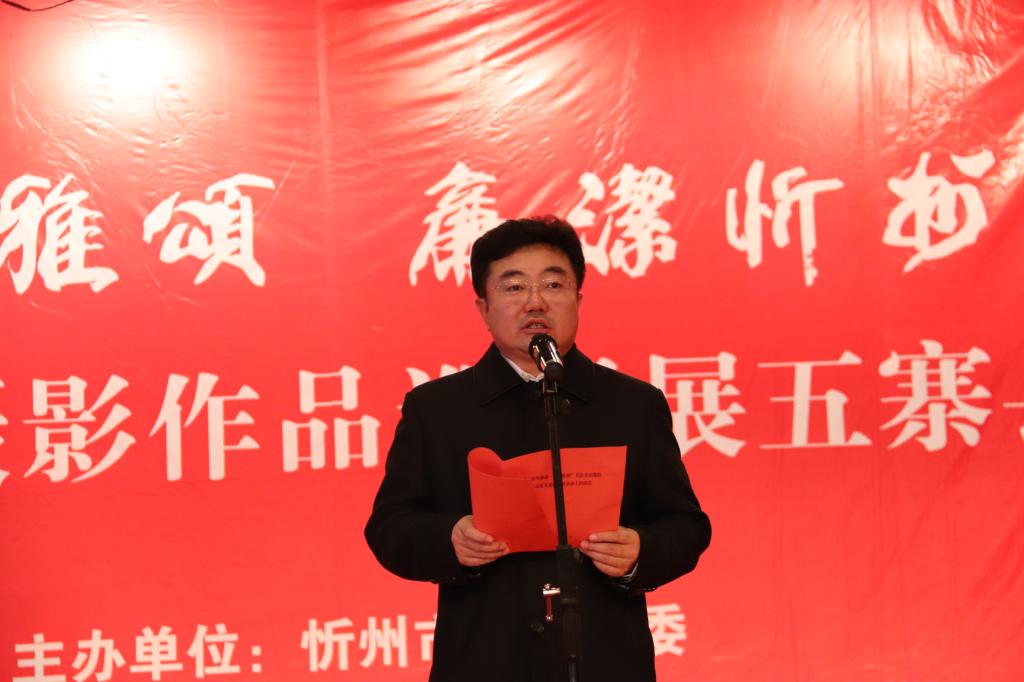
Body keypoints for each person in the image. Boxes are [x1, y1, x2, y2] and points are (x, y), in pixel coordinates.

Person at [365, 216, 711, 682]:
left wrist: (639, 551)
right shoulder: (437, 409)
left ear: (578, 300)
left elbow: (686, 526)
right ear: (484, 308)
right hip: (485, 660)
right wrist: (450, 539)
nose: (535, 301)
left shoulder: (633, 404)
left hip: (607, 661)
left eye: (553, 284)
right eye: (514, 287)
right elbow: (389, 527)